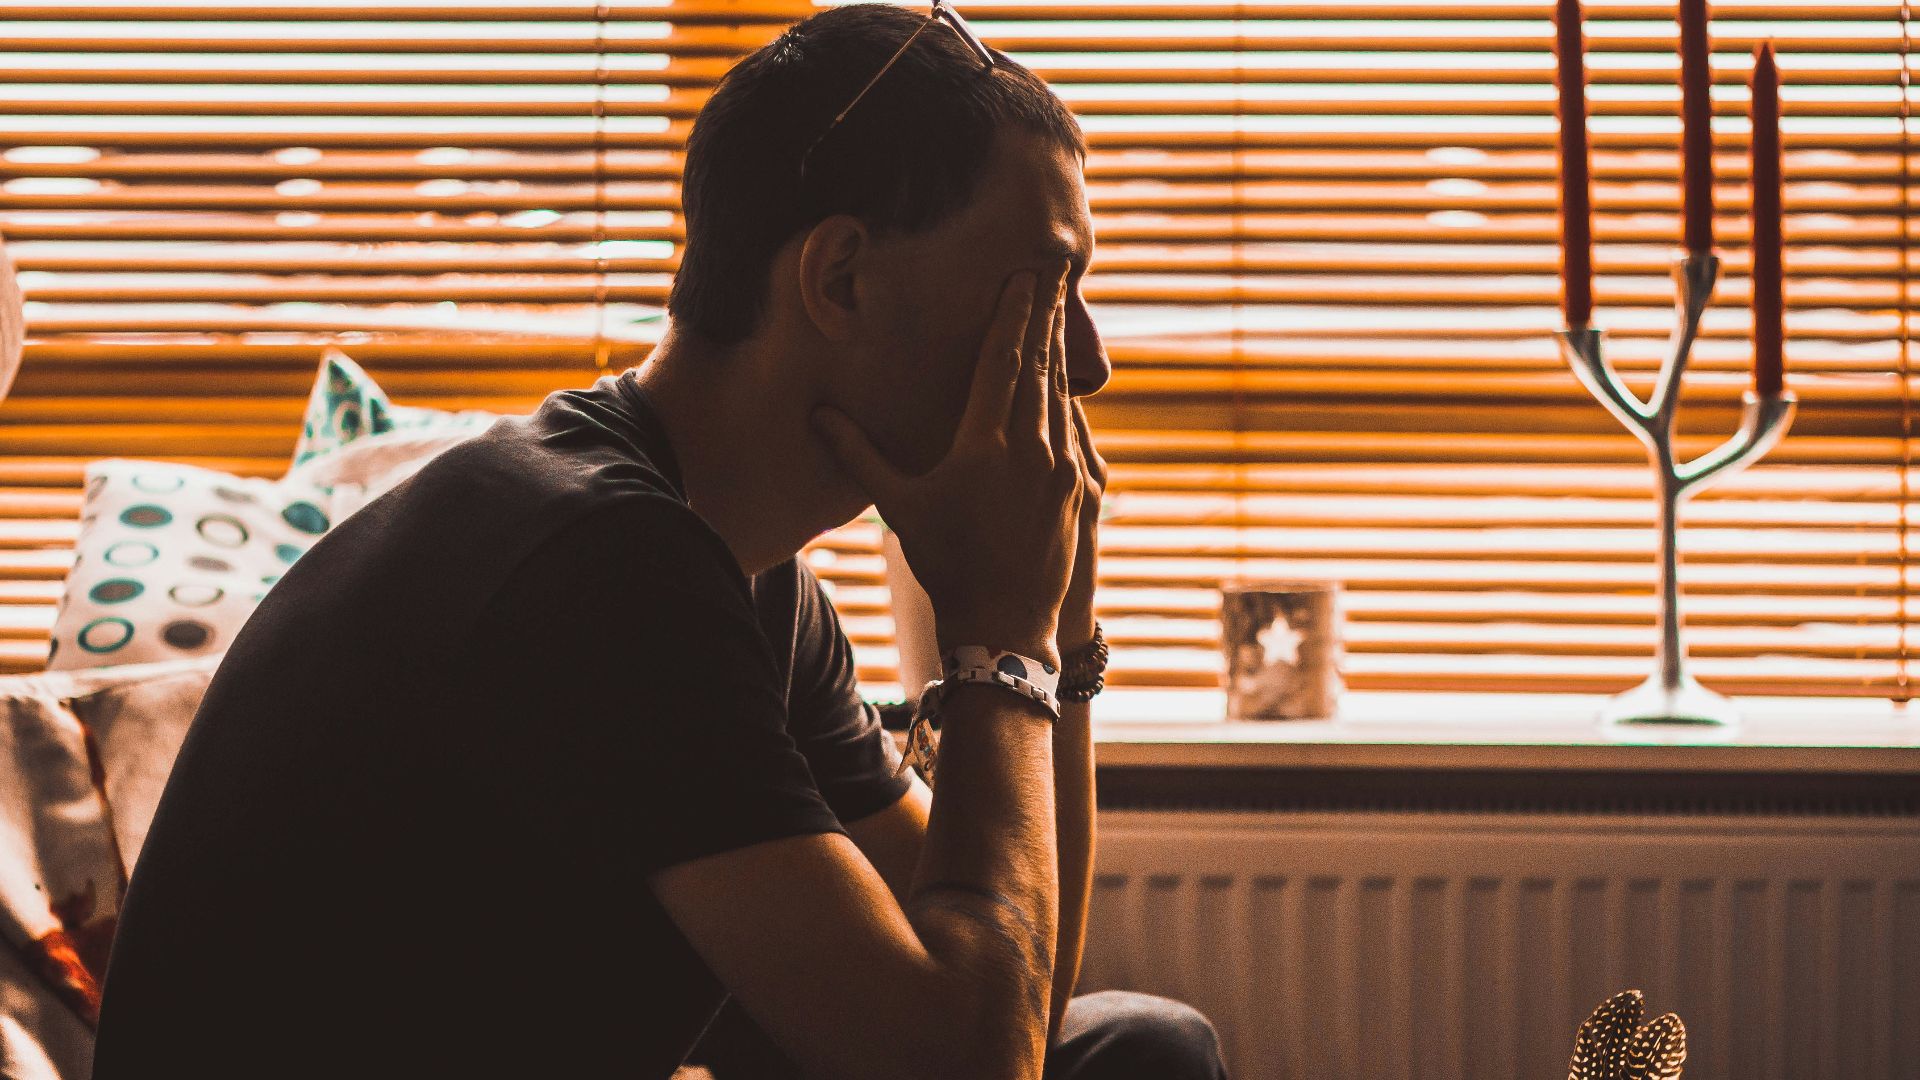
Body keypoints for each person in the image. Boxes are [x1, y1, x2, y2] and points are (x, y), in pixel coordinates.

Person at [90, 5, 1229, 1078]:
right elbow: (970, 1058)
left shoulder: (744, 573)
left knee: (1138, 1045)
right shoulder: (600, 563)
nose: (1087, 362)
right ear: (839, 279)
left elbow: (1011, 988)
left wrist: (1057, 633)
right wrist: (998, 638)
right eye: (1044, 288)